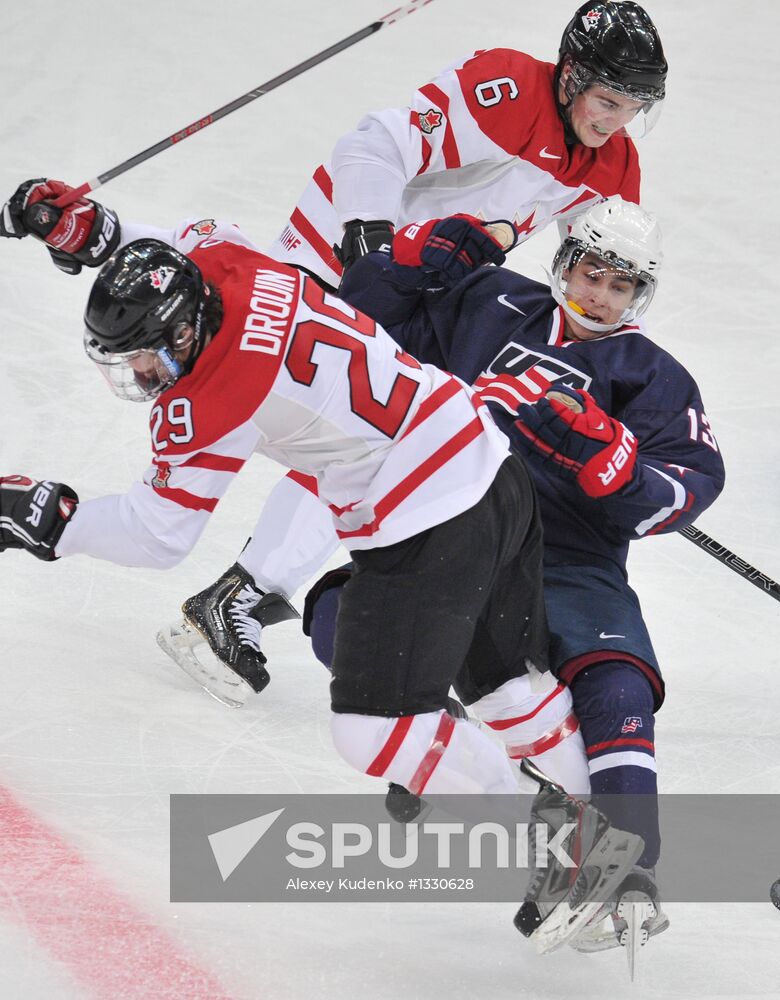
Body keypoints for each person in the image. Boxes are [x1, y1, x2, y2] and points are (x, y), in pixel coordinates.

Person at [0, 204, 646, 952]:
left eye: (148, 357)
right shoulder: (228, 258)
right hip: (487, 463)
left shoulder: (215, 396)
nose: (144, 376)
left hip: (426, 521)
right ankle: (613, 866)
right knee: (513, 689)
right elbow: (176, 235)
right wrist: (98, 235)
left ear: (183, 331)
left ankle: (555, 852)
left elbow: (157, 534)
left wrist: (54, 522)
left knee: (373, 729)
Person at [296, 198, 726, 954]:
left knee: (616, 682)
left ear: (639, 295)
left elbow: (687, 488)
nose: (599, 294)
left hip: (570, 557)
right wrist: (404, 268)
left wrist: (613, 466)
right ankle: (497, 773)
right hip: (451, 525)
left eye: (619, 285)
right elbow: (353, 330)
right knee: (342, 619)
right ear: (563, 264)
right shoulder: (489, 303)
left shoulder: (652, 376)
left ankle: (626, 871)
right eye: (591, 272)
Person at [269, 0, 667, 287]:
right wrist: (369, 235)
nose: (617, 123)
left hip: (417, 291)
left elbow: (606, 275)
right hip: (330, 249)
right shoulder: (507, 90)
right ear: (570, 75)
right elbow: (376, 146)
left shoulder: (616, 165)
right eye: (607, 103)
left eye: (633, 109)